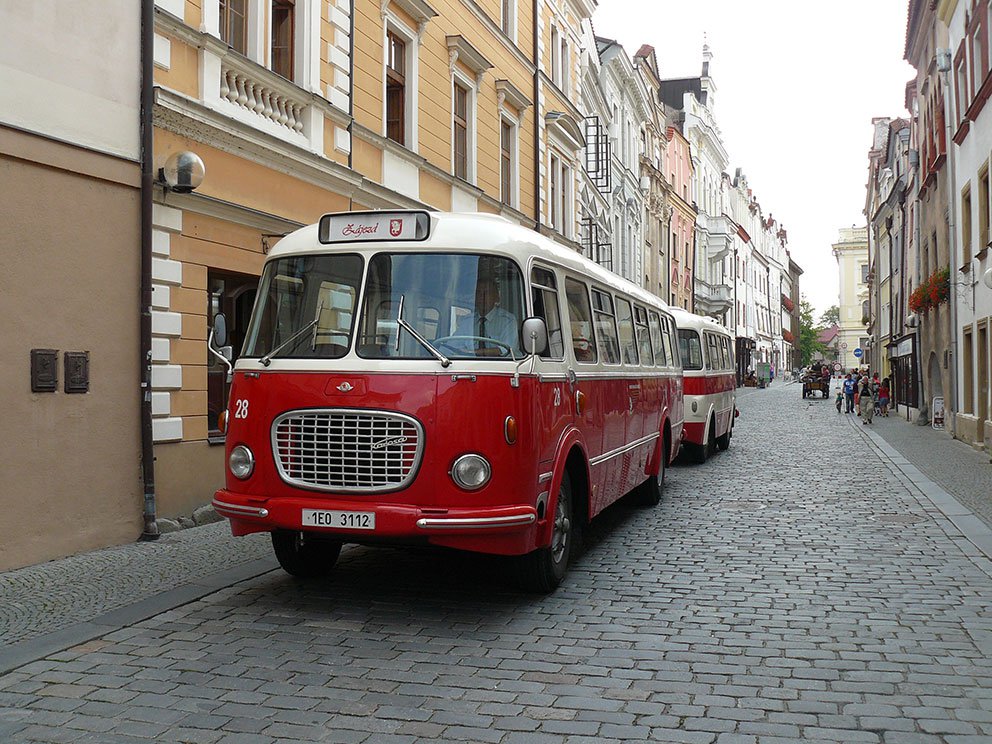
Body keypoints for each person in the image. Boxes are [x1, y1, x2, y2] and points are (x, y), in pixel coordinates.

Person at [455, 276, 519, 354]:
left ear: (496, 297)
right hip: (469, 365)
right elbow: (453, 346)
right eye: (478, 293)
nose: (482, 296)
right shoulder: (467, 321)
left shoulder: (508, 320)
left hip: (499, 365)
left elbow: (508, 350)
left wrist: (473, 353)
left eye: (486, 292)